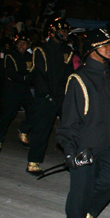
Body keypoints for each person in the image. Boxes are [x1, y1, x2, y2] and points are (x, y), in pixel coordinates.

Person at [56, 28, 110, 218]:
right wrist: (70, 150)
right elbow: (69, 119)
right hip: (84, 143)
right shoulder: (79, 78)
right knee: (81, 189)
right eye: (104, 45)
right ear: (91, 49)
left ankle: (89, 211)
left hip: (108, 142)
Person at [26, 18, 74, 175]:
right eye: (62, 31)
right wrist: (46, 95)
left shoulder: (67, 51)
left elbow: (69, 75)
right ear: (53, 32)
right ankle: (33, 161)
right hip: (45, 96)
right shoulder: (41, 50)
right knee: (41, 130)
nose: (65, 34)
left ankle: (74, 160)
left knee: (71, 129)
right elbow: (39, 75)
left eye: (67, 31)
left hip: (61, 96)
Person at [0, 33, 34, 152]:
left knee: (34, 111)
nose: (21, 46)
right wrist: (25, 77)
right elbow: (11, 73)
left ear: (28, 45)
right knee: (7, 115)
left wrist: (31, 78)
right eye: (19, 43)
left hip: (24, 90)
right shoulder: (10, 55)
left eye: (24, 43)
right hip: (12, 90)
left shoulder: (30, 57)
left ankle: (23, 131)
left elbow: (33, 72)